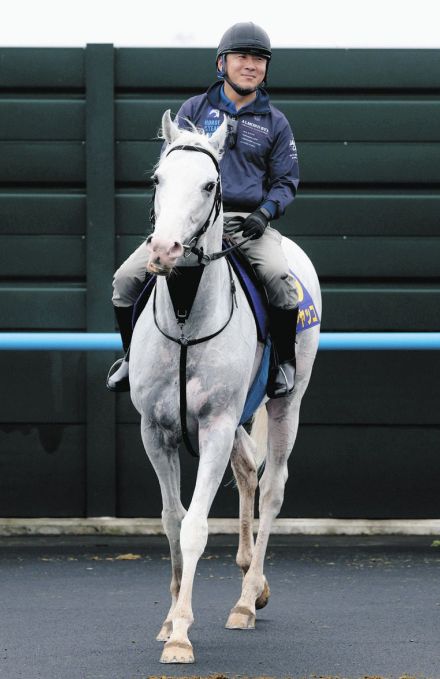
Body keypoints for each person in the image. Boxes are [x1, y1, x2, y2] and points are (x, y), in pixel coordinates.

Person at [107, 22, 300, 398]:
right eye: (243, 57)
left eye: (259, 60)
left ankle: (283, 363)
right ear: (221, 63)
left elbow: (286, 180)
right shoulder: (194, 109)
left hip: (246, 223)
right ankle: (132, 358)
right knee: (124, 280)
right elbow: (171, 171)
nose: (251, 65)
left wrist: (266, 212)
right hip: (190, 221)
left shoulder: (276, 123)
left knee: (279, 278)